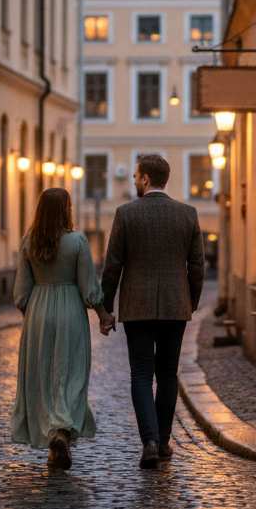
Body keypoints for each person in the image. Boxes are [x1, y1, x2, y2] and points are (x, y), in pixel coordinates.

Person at [100, 154, 205, 469]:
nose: (133, 181)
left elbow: (113, 264)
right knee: (168, 374)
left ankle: (149, 441)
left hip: (137, 306)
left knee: (142, 374)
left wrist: (106, 307)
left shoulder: (126, 214)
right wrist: (192, 302)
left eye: (135, 176)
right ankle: (163, 440)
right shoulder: (187, 214)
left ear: (145, 179)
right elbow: (197, 265)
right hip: (176, 306)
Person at [12, 187, 115, 469]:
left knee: (44, 379)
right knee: (71, 377)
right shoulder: (78, 242)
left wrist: (34, 314)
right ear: (66, 210)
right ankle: (61, 432)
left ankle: (53, 436)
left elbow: (20, 295)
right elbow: (89, 287)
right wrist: (104, 316)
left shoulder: (28, 242)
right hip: (71, 313)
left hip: (38, 313)